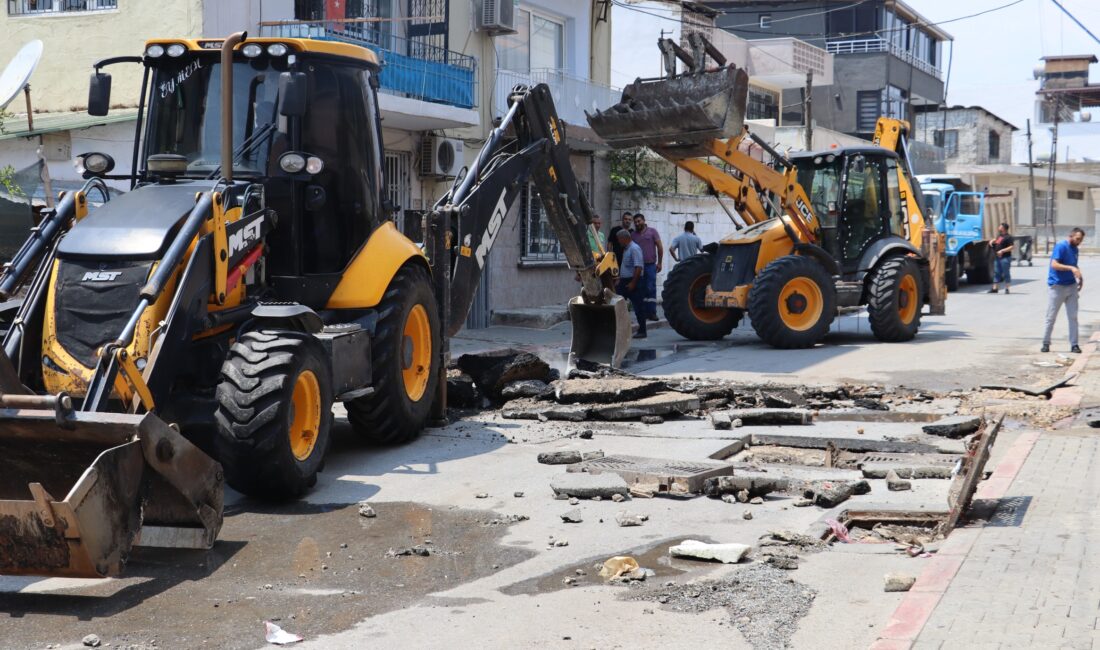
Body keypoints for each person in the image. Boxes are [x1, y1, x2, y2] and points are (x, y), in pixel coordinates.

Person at [1041, 228, 1085, 353]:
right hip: (1057, 287)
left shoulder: (1075, 249)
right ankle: (1046, 342)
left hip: (1071, 286)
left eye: (1080, 240)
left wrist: (1080, 277)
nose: (1079, 242)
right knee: (1051, 317)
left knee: (1073, 317)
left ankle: (1074, 344)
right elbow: (1054, 264)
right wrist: (1071, 268)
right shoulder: (1061, 246)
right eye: (1077, 239)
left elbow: (1074, 265)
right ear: (1070, 235)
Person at [615, 229, 647, 339]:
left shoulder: (634, 248)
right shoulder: (626, 249)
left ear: (624, 238)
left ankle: (642, 330)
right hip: (624, 281)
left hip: (634, 281)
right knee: (618, 304)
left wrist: (633, 283)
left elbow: (638, 267)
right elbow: (627, 267)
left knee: (638, 306)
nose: (619, 242)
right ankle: (620, 329)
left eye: (619, 239)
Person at [631, 213, 663, 321]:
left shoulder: (652, 232)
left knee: (651, 288)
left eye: (639, 221)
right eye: (635, 222)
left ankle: (652, 313)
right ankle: (643, 313)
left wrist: (660, 263)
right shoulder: (633, 235)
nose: (637, 223)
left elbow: (660, 247)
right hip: (638, 267)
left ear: (644, 220)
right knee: (641, 289)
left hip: (650, 265)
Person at [988, 222, 1015, 294]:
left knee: (1006, 273)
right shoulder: (999, 235)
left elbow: (1012, 247)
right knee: (996, 272)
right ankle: (995, 288)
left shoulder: (1009, 237)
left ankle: (1007, 288)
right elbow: (997, 240)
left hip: (1005, 258)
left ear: (1004, 228)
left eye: (1000, 226)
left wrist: (1002, 251)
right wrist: (992, 241)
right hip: (997, 257)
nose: (999, 227)